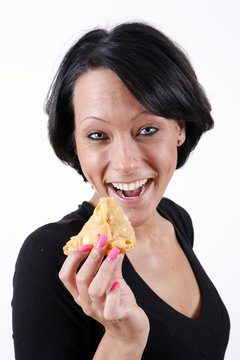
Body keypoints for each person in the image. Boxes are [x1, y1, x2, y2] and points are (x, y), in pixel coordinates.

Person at [12, 22, 230, 359]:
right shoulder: (49, 257)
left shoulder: (175, 220)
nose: (126, 163)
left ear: (180, 129)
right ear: (75, 143)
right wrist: (123, 340)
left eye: (147, 129)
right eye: (98, 135)